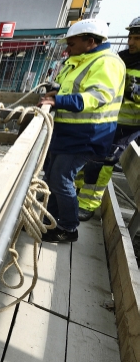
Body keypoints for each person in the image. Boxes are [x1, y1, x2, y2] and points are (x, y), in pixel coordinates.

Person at [39, 18, 126, 243]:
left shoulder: (107, 62)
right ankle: (51, 219)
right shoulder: (80, 59)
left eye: (72, 44)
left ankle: (68, 228)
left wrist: (59, 101)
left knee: (61, 179)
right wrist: (54, 91)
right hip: (68, 132)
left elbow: (98, 96)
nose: (68, 50)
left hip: (87, 134)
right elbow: (65, 85)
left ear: (90, 41)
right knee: (52, 176)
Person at [75, 17, 140, 221]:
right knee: (85, 156)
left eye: (137, 38)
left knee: (102, 164)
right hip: (104, 122)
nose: (130, 42)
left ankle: (87, 204)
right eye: (130, 37)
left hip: (126, 128)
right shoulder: (120, 59)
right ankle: (74, 192)